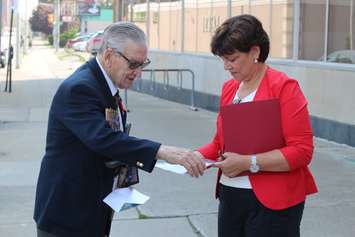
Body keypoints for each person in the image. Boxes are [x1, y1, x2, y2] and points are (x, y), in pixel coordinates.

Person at [34, 22, 205, 237]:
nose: (138, 73)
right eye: (133, 64)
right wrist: (162, 151)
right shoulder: (80, 88)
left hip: (92, 208)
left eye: (143, 64)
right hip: (68, 214)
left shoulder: (103, 84)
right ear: (108, 56)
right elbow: (103, 139)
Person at [194, 15, 317, 237]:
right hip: (231, 196)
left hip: (274, 202)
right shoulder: (229, 89)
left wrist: (248, 162)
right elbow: (220, 143)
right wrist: (193, 156)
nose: (226, 66)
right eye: (223, 59)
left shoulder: (284, 88)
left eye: (232, 59)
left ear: (255, 52)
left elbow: (301, 151)